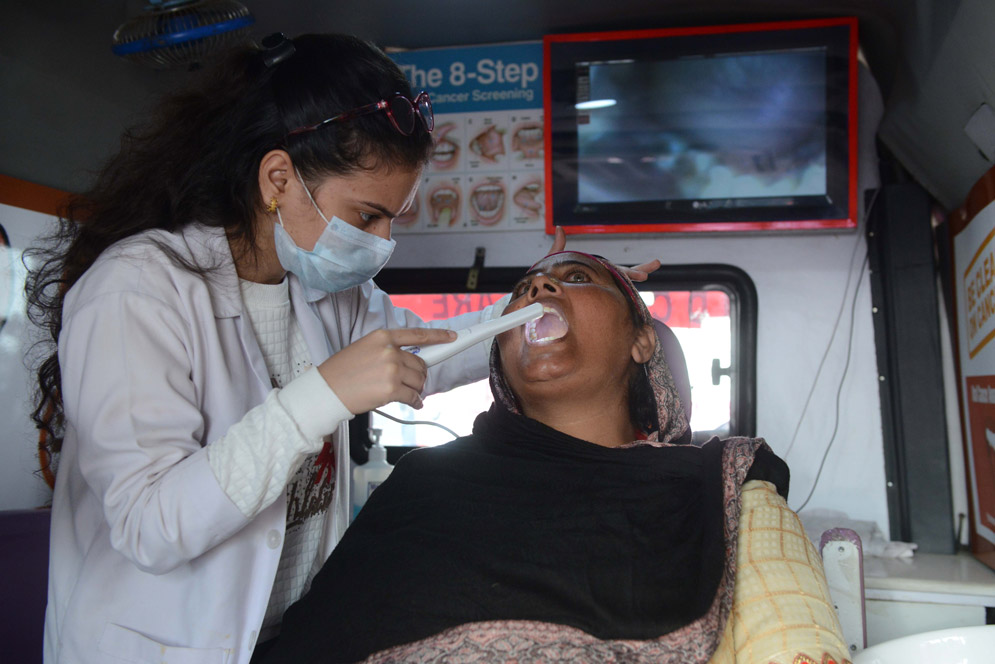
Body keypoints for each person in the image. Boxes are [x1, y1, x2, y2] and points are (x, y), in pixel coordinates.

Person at [25, 33, 661, 664]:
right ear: (278, 177)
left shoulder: (323, 289)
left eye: (394, 218)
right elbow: (150, 527)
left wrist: (544, 307)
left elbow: (430, 350)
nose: (385, 243)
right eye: (367, 217)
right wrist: (322, 396)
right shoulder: (137, 289)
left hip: (292, 635)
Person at [259, 251, 850, 664]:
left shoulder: (727, 491)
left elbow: (793, 640)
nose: (538, 291)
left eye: (576, 279)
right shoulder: (424, 483)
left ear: (643, 339)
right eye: (523, 292)